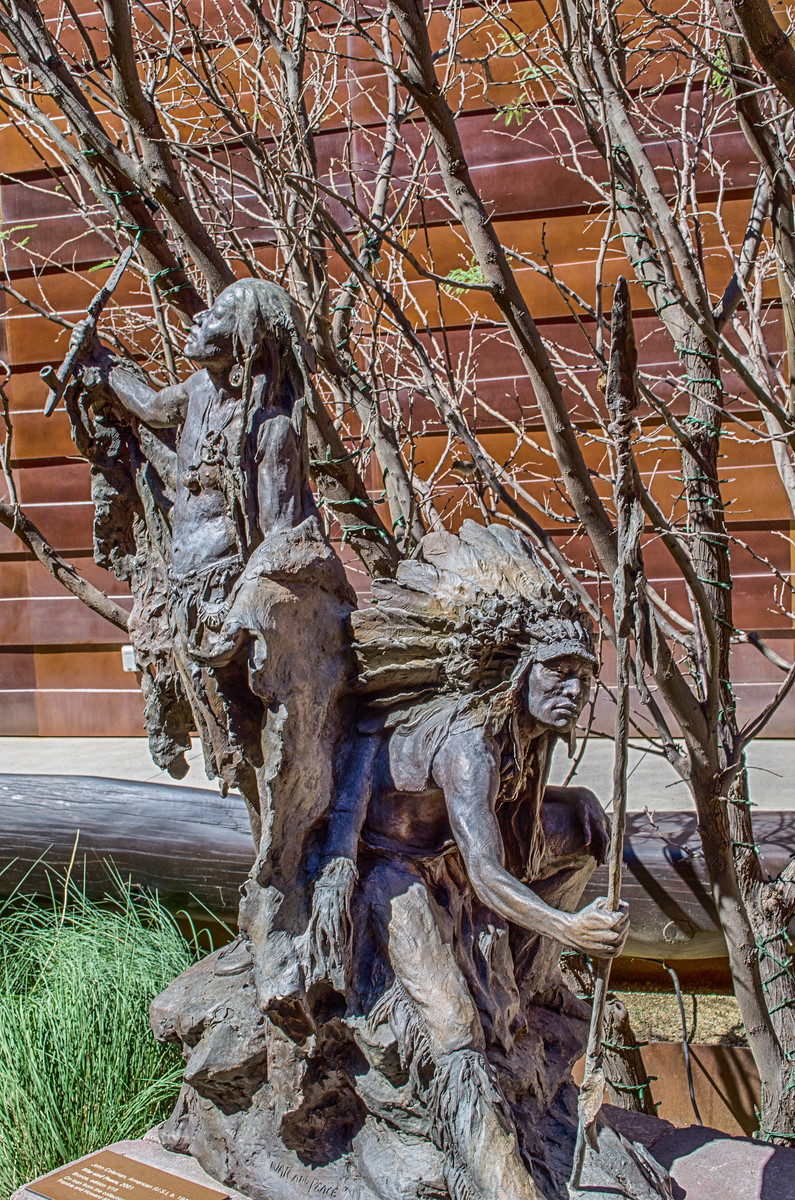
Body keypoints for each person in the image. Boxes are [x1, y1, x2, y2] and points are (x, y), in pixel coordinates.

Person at [305, 521, 629, 1200]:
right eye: (556, 673)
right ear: (519, 673)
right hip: (395, 875)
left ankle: (529, 991)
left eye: (582, 677)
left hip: (449, 859)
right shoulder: (470, 743)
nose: (571, 690)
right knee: (452, 1030)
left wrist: (574, 804)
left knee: (579, 824)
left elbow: (501, 815)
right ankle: (495, 1177)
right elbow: (485, 867)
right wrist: (566, 928)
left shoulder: (522, 733)